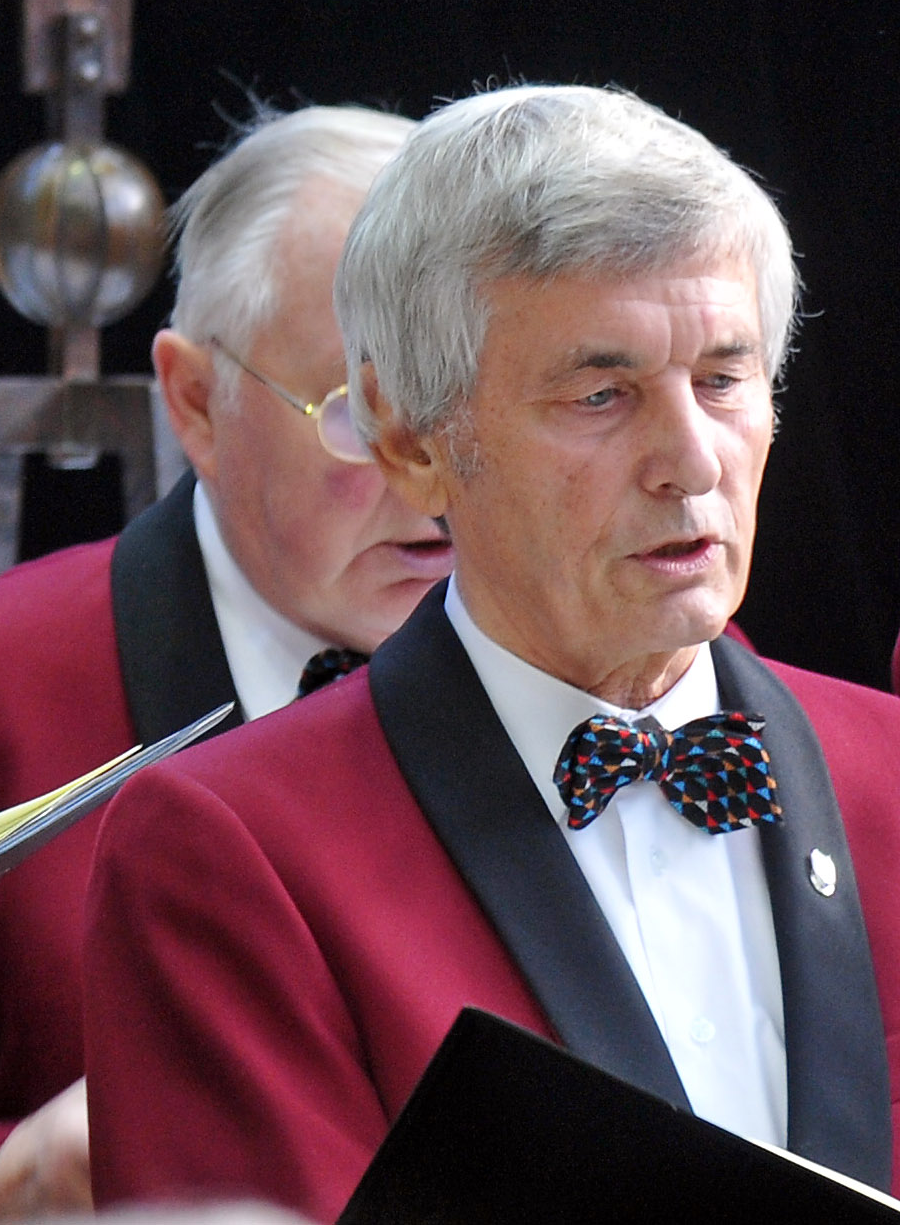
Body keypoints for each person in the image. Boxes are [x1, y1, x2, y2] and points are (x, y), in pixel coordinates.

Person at [84, 85, 900, 1218]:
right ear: (411, 440)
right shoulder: (234, 848)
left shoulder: (890, 770)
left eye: (722, 378)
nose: (692, 460)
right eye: (602, 394)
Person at [0, 105, 449, 1220]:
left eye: (465, 402)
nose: (434, 476)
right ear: (196, 400)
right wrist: (22, 1176)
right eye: (360, 415)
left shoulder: (629, 666)